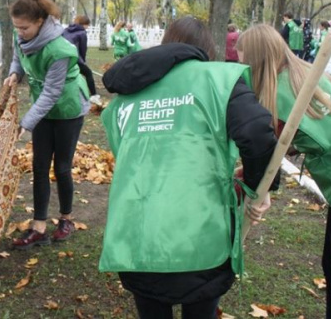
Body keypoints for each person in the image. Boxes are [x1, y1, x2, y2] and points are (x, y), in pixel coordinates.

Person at [99, 17, 276, 319]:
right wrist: (260, 187)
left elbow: (130, 154)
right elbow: (258, 133)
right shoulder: (218, 80)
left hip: (137, 234)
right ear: (207, 49)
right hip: (199, 234)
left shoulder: (127, 95)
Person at [237, 24, 331, 318]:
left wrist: (254, 187)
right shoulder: (308, 75)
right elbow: (294, 141)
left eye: (243, 59)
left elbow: (268, 156)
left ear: (257, 59)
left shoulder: (282, 94)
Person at [4, 0, 90, 249]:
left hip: (68, 109)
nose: (20, 33)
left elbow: (53, 92)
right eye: (17, 28)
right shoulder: (22, 38)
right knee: (40, 166)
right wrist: (14, 74)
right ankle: (38, 225)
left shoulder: (60, 49)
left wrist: (24, 123)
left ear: (40, 22)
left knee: (62, 166)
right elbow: (19, 58)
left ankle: (66, 219)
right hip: (42, 108)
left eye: (25, 28)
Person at [62, 15, 97, 95]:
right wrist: (83, 61)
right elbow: (83, 49)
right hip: (75, 58)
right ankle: (94, 94)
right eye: (87, 25)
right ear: (84, 24)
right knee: (88, 73)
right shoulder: (82, 33)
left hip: (63, 57)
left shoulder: (65, 30)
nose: (88, 27)